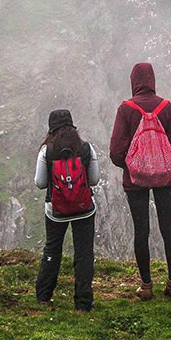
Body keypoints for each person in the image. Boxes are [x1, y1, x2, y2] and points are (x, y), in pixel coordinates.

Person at [109, 62, 171, 300]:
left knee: (141, 230)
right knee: (168, 229)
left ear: (133, 82)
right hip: (165, 178)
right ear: (152, 80)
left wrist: (134, 165)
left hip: (135, 181)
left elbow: (115, 151)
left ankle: (146, 286)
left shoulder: (126, 109)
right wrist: (163, 163)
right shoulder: (166, 107)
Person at [33, 109, 99, 311]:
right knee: (84, 253)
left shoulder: (47, 151)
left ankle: (44, 295)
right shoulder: (87, 149)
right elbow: (94, 180)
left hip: (56, 211)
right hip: (84, 209)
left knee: (53, 249)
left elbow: (40, 183)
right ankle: (83, 302)